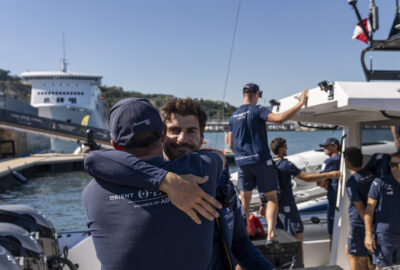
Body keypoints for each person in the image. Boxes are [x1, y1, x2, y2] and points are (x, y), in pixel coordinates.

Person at [85, 98, 274, 270]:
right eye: (175, 131)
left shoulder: (216, 180)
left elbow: (239, 242)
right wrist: (165, 180)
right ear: (163, 134)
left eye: (191, 131)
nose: (182, 139)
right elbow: (95, 161)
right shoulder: (206, 168)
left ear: (202, 138)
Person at [228, 82, 308, 241]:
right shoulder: (258, 110)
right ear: (256, 95)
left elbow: (230, 142)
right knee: (271, 198)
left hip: (242, 162)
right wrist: (300, 103)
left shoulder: (233, 116)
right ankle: (271, 233)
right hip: (261, 160)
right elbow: (279, 119)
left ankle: (243, 234)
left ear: (244, 95)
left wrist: (242, 154)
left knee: (245, 200)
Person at [266, 137, 339, 260]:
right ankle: (300, 264)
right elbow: (307, 178)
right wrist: (331, 174)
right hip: (289, 206)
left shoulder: (270, 165)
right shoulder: (286, 164)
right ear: (281, 149)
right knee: (297, 236)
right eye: (285, 146)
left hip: (277, 208)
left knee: (282, 238)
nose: (287, 148)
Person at [364, 151, 400, 268]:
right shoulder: (379, 182)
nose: (395, 168)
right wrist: (368, 235)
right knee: (382, 268)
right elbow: (369, 211)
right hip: (385, 236)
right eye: (392, 165)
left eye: (398, 165)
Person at [343, 147, 374, 270]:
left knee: (355, 256)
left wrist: (368, 228)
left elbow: (361, 208)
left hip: (360, 224)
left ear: (347, 162)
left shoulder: (352, 181)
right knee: (361, 256)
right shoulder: (371, 176)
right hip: (371, 222)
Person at [318, 137, 341, 245]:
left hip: (333, 202)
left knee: (332, 234)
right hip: (343, 199)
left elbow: (319, 180)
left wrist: (324, 184)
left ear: (335, 147)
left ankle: (333, 259)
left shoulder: (329, 161)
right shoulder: (343, 159)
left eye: (326, 146)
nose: (323, 148)